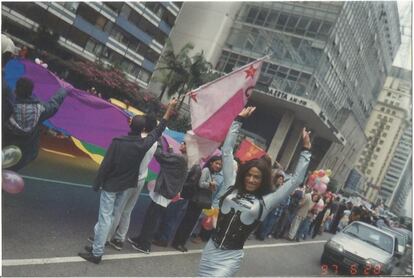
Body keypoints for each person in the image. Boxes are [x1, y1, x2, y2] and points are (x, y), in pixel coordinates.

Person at [198, 107, 312, 277]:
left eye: (256, 177)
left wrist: (306, 151)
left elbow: (295, 180)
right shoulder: (231, 184)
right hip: (210, 250)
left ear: (263, 180)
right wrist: (238, 120)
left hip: (230, 257)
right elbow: (227, 152)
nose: (251, 180)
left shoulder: (266, 201)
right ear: (244, 175)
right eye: (249, 175)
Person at [78, 98, 177, 264]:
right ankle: (99, 243)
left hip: (111, 185)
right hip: (126, 185)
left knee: (105, 218)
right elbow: (158, 130)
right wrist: (169, 111)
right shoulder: (143, 144)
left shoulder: (118, 142)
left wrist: (97, 183)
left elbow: (106, 165)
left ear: (131, 126)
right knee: (113, 215)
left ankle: (97, 252)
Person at [104, 115, 158, 251]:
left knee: (118, 209)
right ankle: (120, 238)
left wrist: (133, 126)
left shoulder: (140, 140)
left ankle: (106, 237)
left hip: (130, 178)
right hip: (141, 178)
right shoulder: (154, 142)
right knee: (128, 210)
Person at [128, 140, 188, 254]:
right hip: (165, 189)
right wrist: (170, 150)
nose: (182, 144)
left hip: (165, 190)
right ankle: (142, 238)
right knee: (150, 215)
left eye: (185, 143)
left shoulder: (182, 158)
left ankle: (145, 245)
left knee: (153, 218)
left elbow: (160, 155)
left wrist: (158, 139)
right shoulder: (182, 158)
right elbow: (170, 159)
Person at [3, 77, 67, 171]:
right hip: (25, 153)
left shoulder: (8, 106)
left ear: (15, 90)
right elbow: (53, 104)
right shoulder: (39, 110)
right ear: (31, 92)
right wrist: (63, 90)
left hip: (5, 149)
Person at [170, 156, 222, 252]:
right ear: (211, 163)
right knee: (187, 221)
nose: (218, 166)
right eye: (217, 163)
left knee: (191, 222)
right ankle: (177, 242)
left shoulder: (212, 173)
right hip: (195, 200)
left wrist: (211, 186)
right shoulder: (206, 170)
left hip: (200, 202)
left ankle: (181, 242)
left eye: (220, 165)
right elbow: (200, 184)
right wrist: (210, 184)